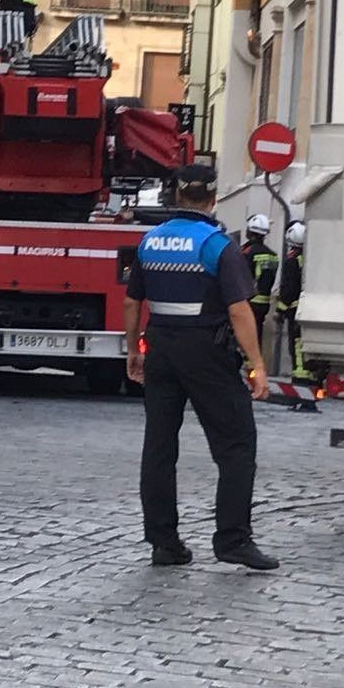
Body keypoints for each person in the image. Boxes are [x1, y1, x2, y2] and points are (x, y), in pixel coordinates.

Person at [123, 164, 278, 572]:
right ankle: (232, 540)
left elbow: (131, 301)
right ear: (211, 198)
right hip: (207, 353)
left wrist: (132, 350)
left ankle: (163, 542)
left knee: (159, 447)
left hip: (161, 350)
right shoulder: (216, 244)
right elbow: (239, 310)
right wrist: (257, 364)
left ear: (177, 196)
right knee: (236, 444)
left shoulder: (150, 241)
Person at [238, 212, 279, 345]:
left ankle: (247, 362)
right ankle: (254, 363)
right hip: (264, 302)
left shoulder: (248, 252)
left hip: (249, 301)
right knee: (257, 333)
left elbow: (241, 276)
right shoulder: (272, 254)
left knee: (244, 335)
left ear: (250, 231)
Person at [277, 221, 310, 382]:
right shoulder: (309, 257)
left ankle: (300, 378)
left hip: (295, 310)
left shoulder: (292, 260)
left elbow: (289, 288)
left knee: (296, 345)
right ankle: (310, 375)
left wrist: (280, 309)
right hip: (308, 307)